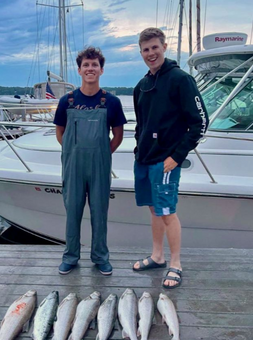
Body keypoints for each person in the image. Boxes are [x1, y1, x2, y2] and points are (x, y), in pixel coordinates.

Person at [132, 28, 209, 289]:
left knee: (167, 212)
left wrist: (177, 156)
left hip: (166, 161)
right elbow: (140, 125)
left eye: (155, 47)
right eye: (145, 49)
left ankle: (176, 263)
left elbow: (200, 123)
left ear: (164, 47)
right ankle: (157, 256)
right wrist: (138, 151)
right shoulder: (140, 86)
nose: (151, 53)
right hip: (144, 160)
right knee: (154, 209)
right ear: (141, 53)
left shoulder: (180, 79)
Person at [54, 46, 127, 276]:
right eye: (86, 65)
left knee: (99, 212)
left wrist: (103, 154)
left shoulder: (112, 102)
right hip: (73, 165)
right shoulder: (67, 101)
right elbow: (60, 133)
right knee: (72, 211)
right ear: (79, 70)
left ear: (101, 70)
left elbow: (118, 135)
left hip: (99, 165)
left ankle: (100, 257)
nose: (90, 68)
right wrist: (71, 151)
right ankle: (71, 256)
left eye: (94, 65)